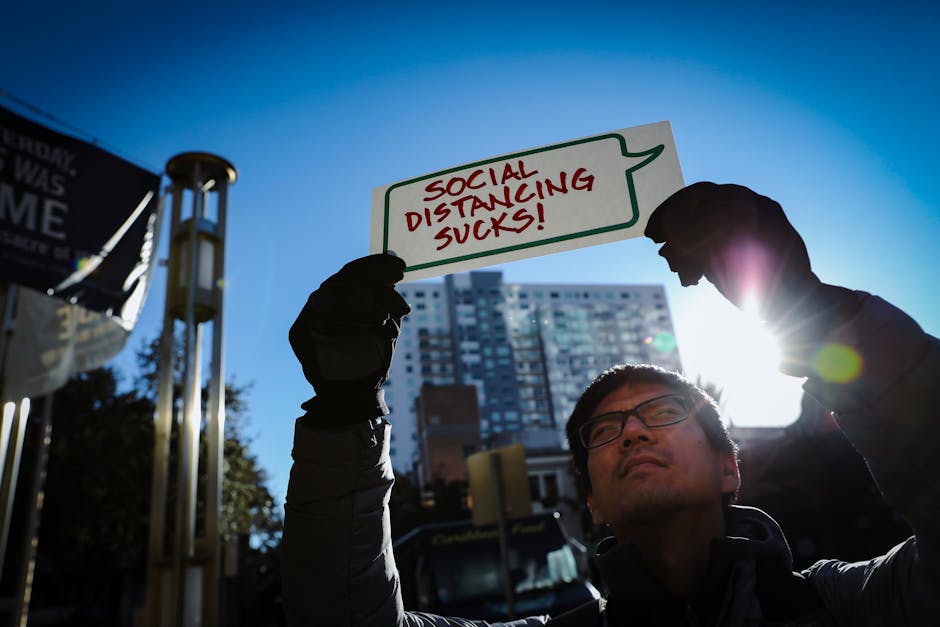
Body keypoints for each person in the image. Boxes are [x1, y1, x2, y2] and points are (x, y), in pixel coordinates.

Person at [281, 182, 940, 626]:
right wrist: (343, 417)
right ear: (589, 501)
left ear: (728, 468)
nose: (631, 432)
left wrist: (818, 314)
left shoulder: (858, 605)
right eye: (603, 429)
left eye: (662, 413)